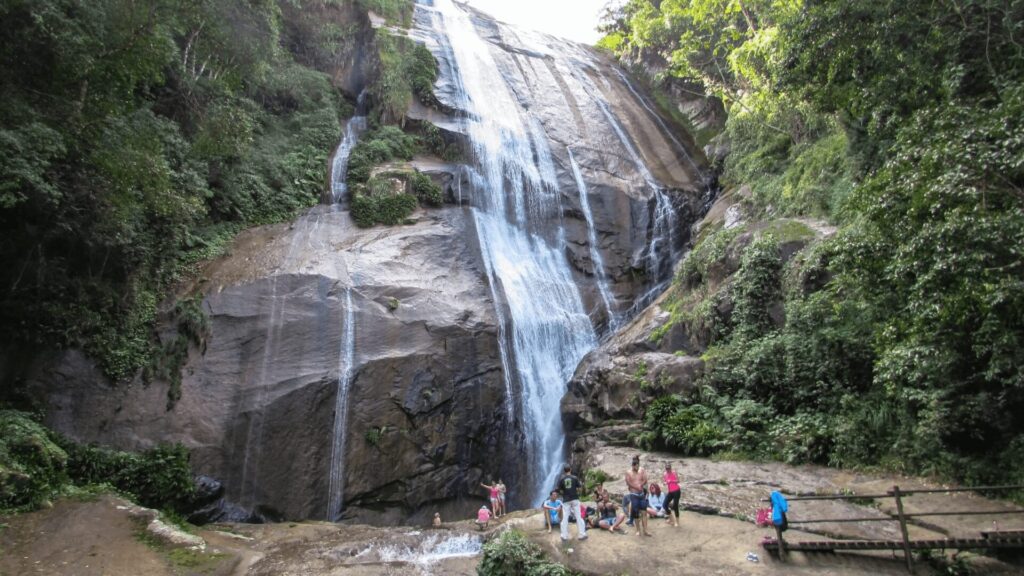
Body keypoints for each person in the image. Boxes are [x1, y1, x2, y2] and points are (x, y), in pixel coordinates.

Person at [557, 464, 588, 541]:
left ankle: (564, 536)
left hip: (566, 500)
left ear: (564, 471)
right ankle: (582, 534)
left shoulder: (562, 479)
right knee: (578, 516)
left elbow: (560, 490)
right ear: (570, 469)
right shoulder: (575, 478)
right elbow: (580, 488)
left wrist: (564, 493)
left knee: (565, 518)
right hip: (575, 499)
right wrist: (576, 492)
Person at [625, 455, 651, 536]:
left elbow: (645, 479)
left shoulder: (641, 470)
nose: (637, 468)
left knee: (644, 512)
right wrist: (636, 487)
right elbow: (628, 482)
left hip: (641, 494)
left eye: (638, 466)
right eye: (636, 467)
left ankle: (645, 530)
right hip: (634, 494)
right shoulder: (628, 472)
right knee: (636, 512)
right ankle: (638, 530)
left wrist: (641, 485)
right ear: (633, 466)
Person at [663, 462, 682, 527]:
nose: (668, 470)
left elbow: (678, 481)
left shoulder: (674, 473)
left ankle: (677, 521)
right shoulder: (665, 474)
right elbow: (665, 481)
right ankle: (671, 518)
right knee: (664, 504)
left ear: (671, 468)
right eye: (666, 468)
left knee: (675, 506)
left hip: (677, 491)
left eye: (669, 468)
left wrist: (671, 481)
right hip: (670, 492)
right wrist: (665, 483)